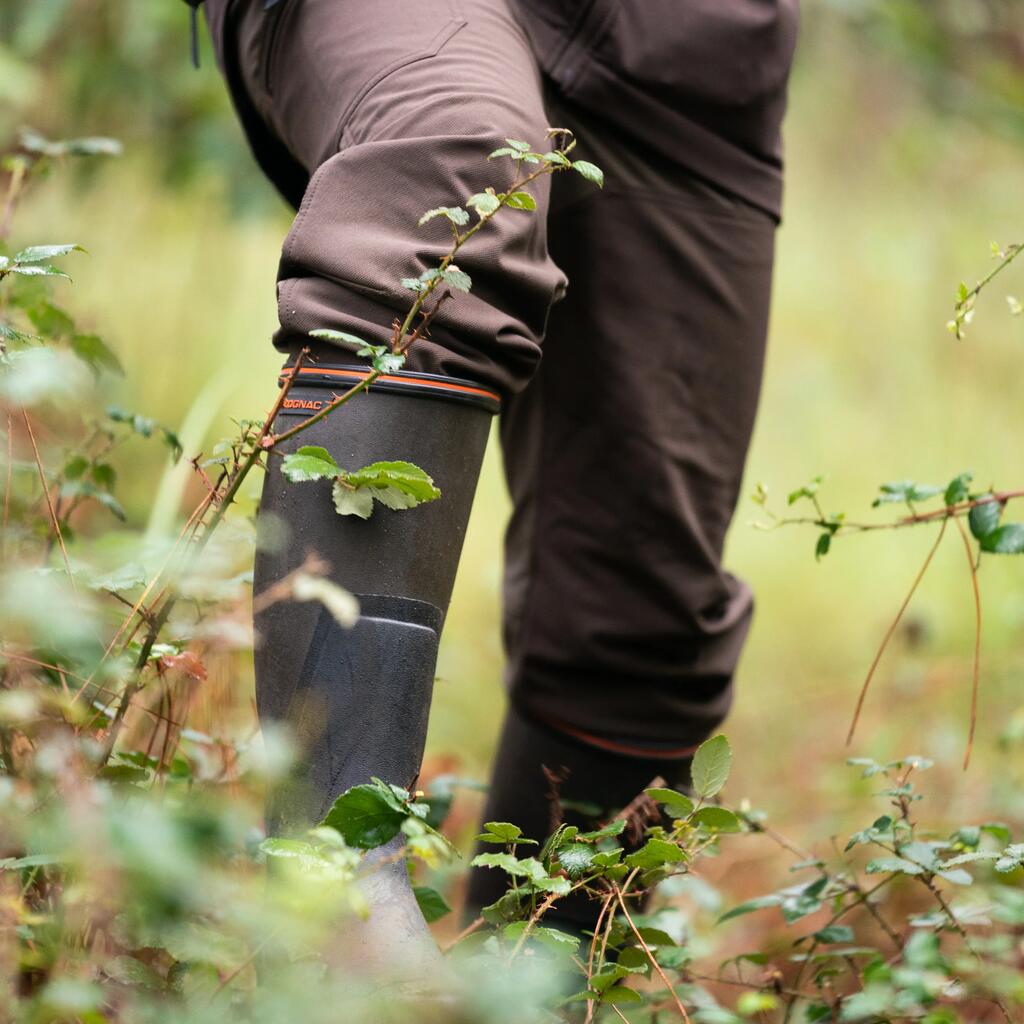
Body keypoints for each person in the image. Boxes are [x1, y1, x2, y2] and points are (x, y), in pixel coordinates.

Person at [198, 0, 799, 977]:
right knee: (455, 162)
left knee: (641, 616)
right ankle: (339, 897)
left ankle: (540, 992)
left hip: (682, 47)